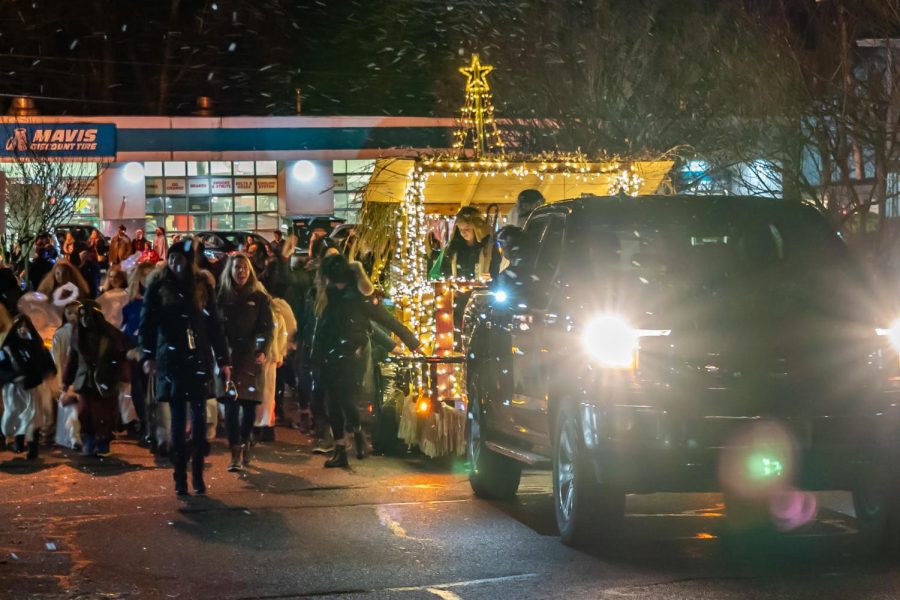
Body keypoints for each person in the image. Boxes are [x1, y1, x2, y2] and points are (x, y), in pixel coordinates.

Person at [140, 239, 231, 496]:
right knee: (178, 421)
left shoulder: (202, 285)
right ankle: (180, 474)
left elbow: (214, 326)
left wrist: (224, 360)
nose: (174, 263)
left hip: (199, 358)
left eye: (179, 259)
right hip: (173, 359)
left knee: (200, 423)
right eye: (171, 258)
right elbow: (147, 323)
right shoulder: (158, 285)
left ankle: (198, 472)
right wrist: (148, 355)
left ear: (188, 261)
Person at [313, 254, 421, 468]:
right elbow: (319, 329)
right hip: (329, 355)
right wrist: (313, 354)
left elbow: (384, 320)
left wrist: (411, 340)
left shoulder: (357, 298)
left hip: (352, 354)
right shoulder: (327, 296)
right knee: (333, 403)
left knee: (346, 399)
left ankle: (357, 433)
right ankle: (340, 449)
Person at [216, 253, 273, 471]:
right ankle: (235, 452)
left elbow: (266, 327)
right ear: (230, 271)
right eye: (237, 268)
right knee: (231, 404)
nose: (241, 271)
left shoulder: (259, 297)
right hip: (229, 355)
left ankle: (246, 439)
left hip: (250, 354)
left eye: (244, 268)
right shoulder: (221, 297)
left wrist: (262, 349)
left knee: (248, 403)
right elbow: (216, 326)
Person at [62, 301, 127, 458]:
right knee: (85, 412)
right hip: (85, 380)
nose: (84, 319)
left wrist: (121, 376)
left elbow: (120, 356)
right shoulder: (78, 335)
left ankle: (103, 441)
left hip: (105, 380)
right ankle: (90, 440)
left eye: (87, 315)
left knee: (105, 412)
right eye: (82, 316)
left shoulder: (109, 336)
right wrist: (66, 380)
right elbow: (73, 359)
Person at [0, 311, 57, 459]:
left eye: (25, 327)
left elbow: (48, 365)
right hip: (14, 389)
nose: (23, 330)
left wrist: (47, 373)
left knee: (33, 418)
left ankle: (33, 447)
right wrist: (13, 377)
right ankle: (18, 441)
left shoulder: (37, 347)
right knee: (17, 415)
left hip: (32, 387)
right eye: (19, 327)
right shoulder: (8, 349)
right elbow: (2, 368)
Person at [51, 302, 80, 450]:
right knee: (72, 408)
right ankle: (74, 437)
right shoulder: (62, 333)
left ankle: (73, 437)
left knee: (73, 408)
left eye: (76, 312)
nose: (73, 316)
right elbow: (56, 358)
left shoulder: (66, 332)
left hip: (70, 376)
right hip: (69, 377)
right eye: (69, 313)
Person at [440, 206, 494, 280]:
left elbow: (498, 272)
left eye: (467, 229)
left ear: (478, 229)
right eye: (460, 229)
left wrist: (491, 277)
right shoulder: (453, 249)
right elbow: (445, 272)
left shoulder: (489, 248)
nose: (463, 232)